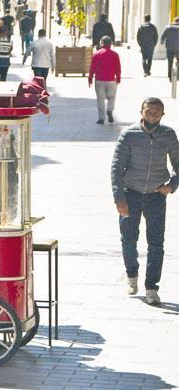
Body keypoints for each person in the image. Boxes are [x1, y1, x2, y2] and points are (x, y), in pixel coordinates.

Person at [111, 97, 179, 305]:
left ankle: (151, 287)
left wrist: (171, 186)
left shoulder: (168, 135)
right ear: (141, 112)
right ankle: (132, 274)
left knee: (156, 243)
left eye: (156, 112)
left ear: (162, 114)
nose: (152, 115)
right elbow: (116, 168)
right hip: (130, 193)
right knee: (128, 239)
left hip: (156, 196)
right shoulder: (129, 135)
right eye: (148, 112)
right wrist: (118, 199)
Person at [88, 36, 121, 124]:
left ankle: (101, 118)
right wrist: (118, 78)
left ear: (101, 43)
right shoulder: (115, 54)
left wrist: (90, 78)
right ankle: (109, 110)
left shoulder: (97, 54)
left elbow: (92, 68)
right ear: (111, 44)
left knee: (100, 99)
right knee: (112, 97)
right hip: (111, 80)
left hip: (99, 80)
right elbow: (118, 67)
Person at [160, 17, 179, 82]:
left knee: (170, 62)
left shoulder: (168, 27)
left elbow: (163, 36)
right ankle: (178, 76)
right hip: (178, 48)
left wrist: (162, 42)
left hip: (169, 47)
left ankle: (170, 76)